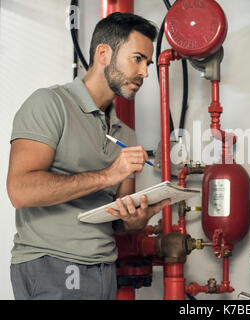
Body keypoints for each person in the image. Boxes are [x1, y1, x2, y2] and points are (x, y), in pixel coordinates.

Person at [6, 12, 169, 300]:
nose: (145, 72)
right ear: (103, 54)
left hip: (104, 268)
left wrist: (137, 218)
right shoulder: (49, 104)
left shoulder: (125, 134)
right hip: (53, 264)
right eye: (137, 59)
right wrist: (109, 175)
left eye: (148, 63)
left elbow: (119, 222)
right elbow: (20, 191)